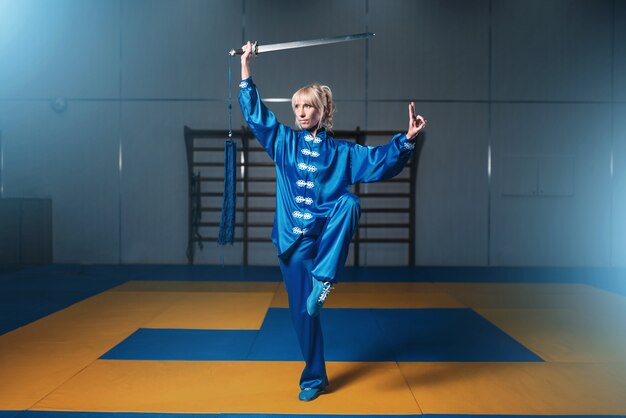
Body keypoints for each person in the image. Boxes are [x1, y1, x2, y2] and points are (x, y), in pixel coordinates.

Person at [238, 41, 426, 401]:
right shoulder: (283, 142)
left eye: (308, 105)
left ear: (322, 110)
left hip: (324, 241)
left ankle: (324, 280)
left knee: (350, 203)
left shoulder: (344, 153)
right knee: (302, 316)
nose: (301, 112)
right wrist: (246, 66)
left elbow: (379, 161)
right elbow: (256, 115)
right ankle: (314, 379)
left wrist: (405, 141)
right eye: (296, 106)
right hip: (292, 243)